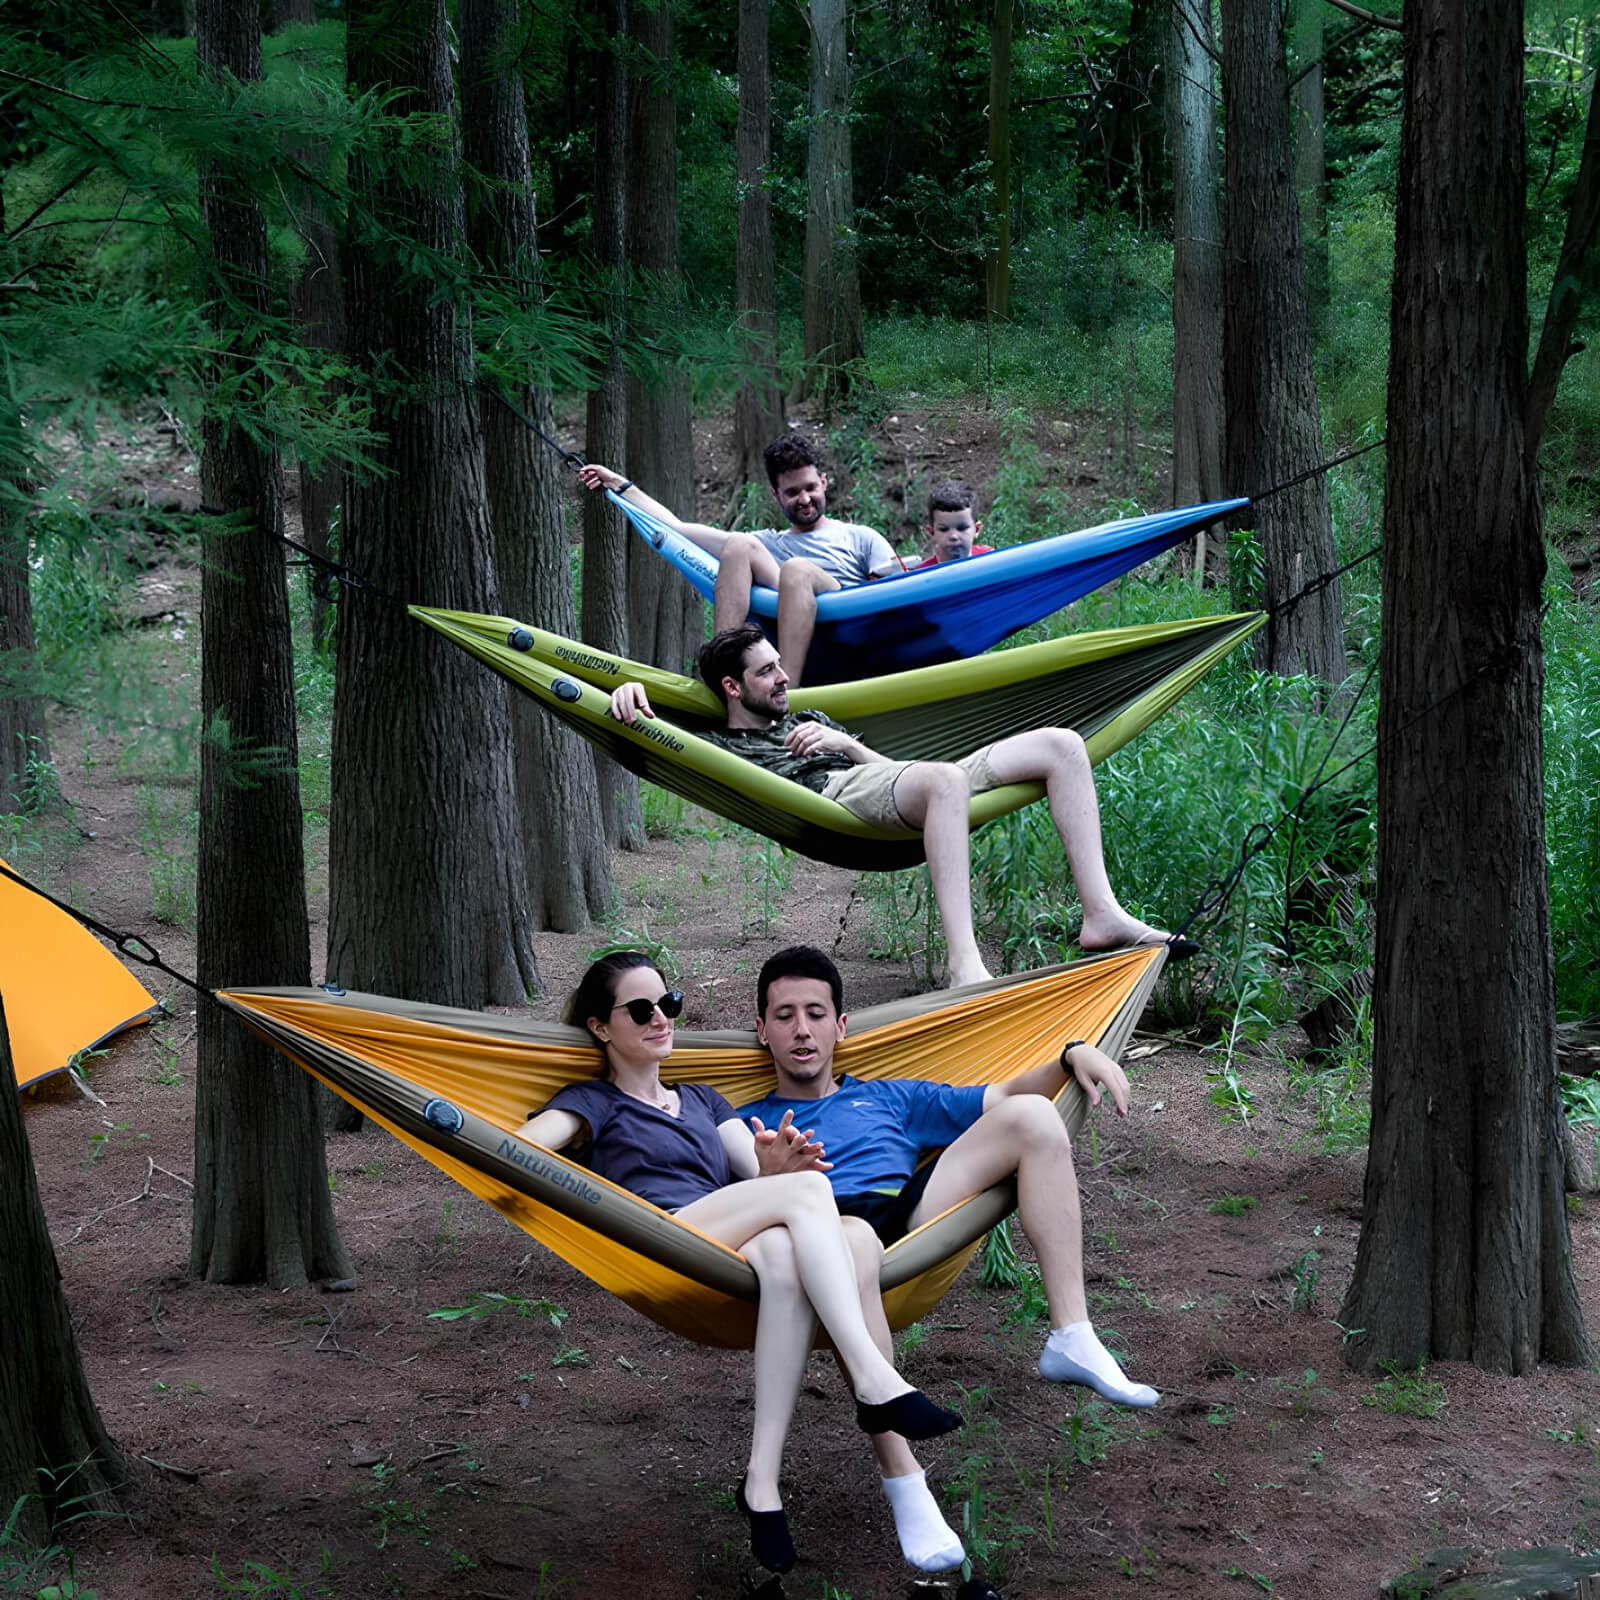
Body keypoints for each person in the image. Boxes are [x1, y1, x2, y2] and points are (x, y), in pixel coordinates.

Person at [513, 952, 965, 1575]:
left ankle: (762, 1484)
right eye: (640, 1010)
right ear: (599, 1027)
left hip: (724, 1235)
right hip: (657, 1233)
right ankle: (870, 1376)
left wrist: (780, 1169)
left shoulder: (703, 1100)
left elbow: (758, 1177)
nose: (660, 1019)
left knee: (786, 1251)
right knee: (811, 1197)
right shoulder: (593, 1102)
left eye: (667, 1005)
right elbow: (519, 1150)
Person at [607, 625, 1198, 988]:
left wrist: (843, 741)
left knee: (1063, 746)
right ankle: (964, 963)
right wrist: (629, 690)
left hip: (883, 779)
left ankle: (1102, 914)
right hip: (830, 799)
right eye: (767, 672)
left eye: (780, 664)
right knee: (943, 781)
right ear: (732, 689)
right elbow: (651, 730)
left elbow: (884, 770)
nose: (785, 677)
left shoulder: (809, 716)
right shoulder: (724, 744)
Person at [741, 945, 1162, 1410]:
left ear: (840, 1027)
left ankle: (1072, 1335)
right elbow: (706, 1211)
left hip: (904, 1221)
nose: (802, 1029)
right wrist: (765, 1180)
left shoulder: (890, 1099)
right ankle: (899, 1460)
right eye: (784, 1016)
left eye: (816, 1014)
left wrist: (1070, 1055)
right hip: (811, 1232)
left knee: (1035, 1117)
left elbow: (1001, 1094)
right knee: (835, 1233)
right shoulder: (745, 1122)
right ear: (762, 1031)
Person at [577, 433, 900, 687]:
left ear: (824, 482)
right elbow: (676, 529)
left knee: (797, 569)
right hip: (793, 612)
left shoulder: (861, 536)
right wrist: (619, 486)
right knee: (738, 543)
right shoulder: (768, 544)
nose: (804, 499)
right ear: (775, 495)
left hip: (848, 622)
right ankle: (722, 672)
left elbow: (901, 593)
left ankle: (788, 690)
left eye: (811, 488)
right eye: (792, 492)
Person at [916, 480, 995, 567]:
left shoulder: (990, 559)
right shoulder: (922, 574)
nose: (953, 536)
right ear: (931, 532)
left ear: (977, 529)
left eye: (962, 528)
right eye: (944, 529)